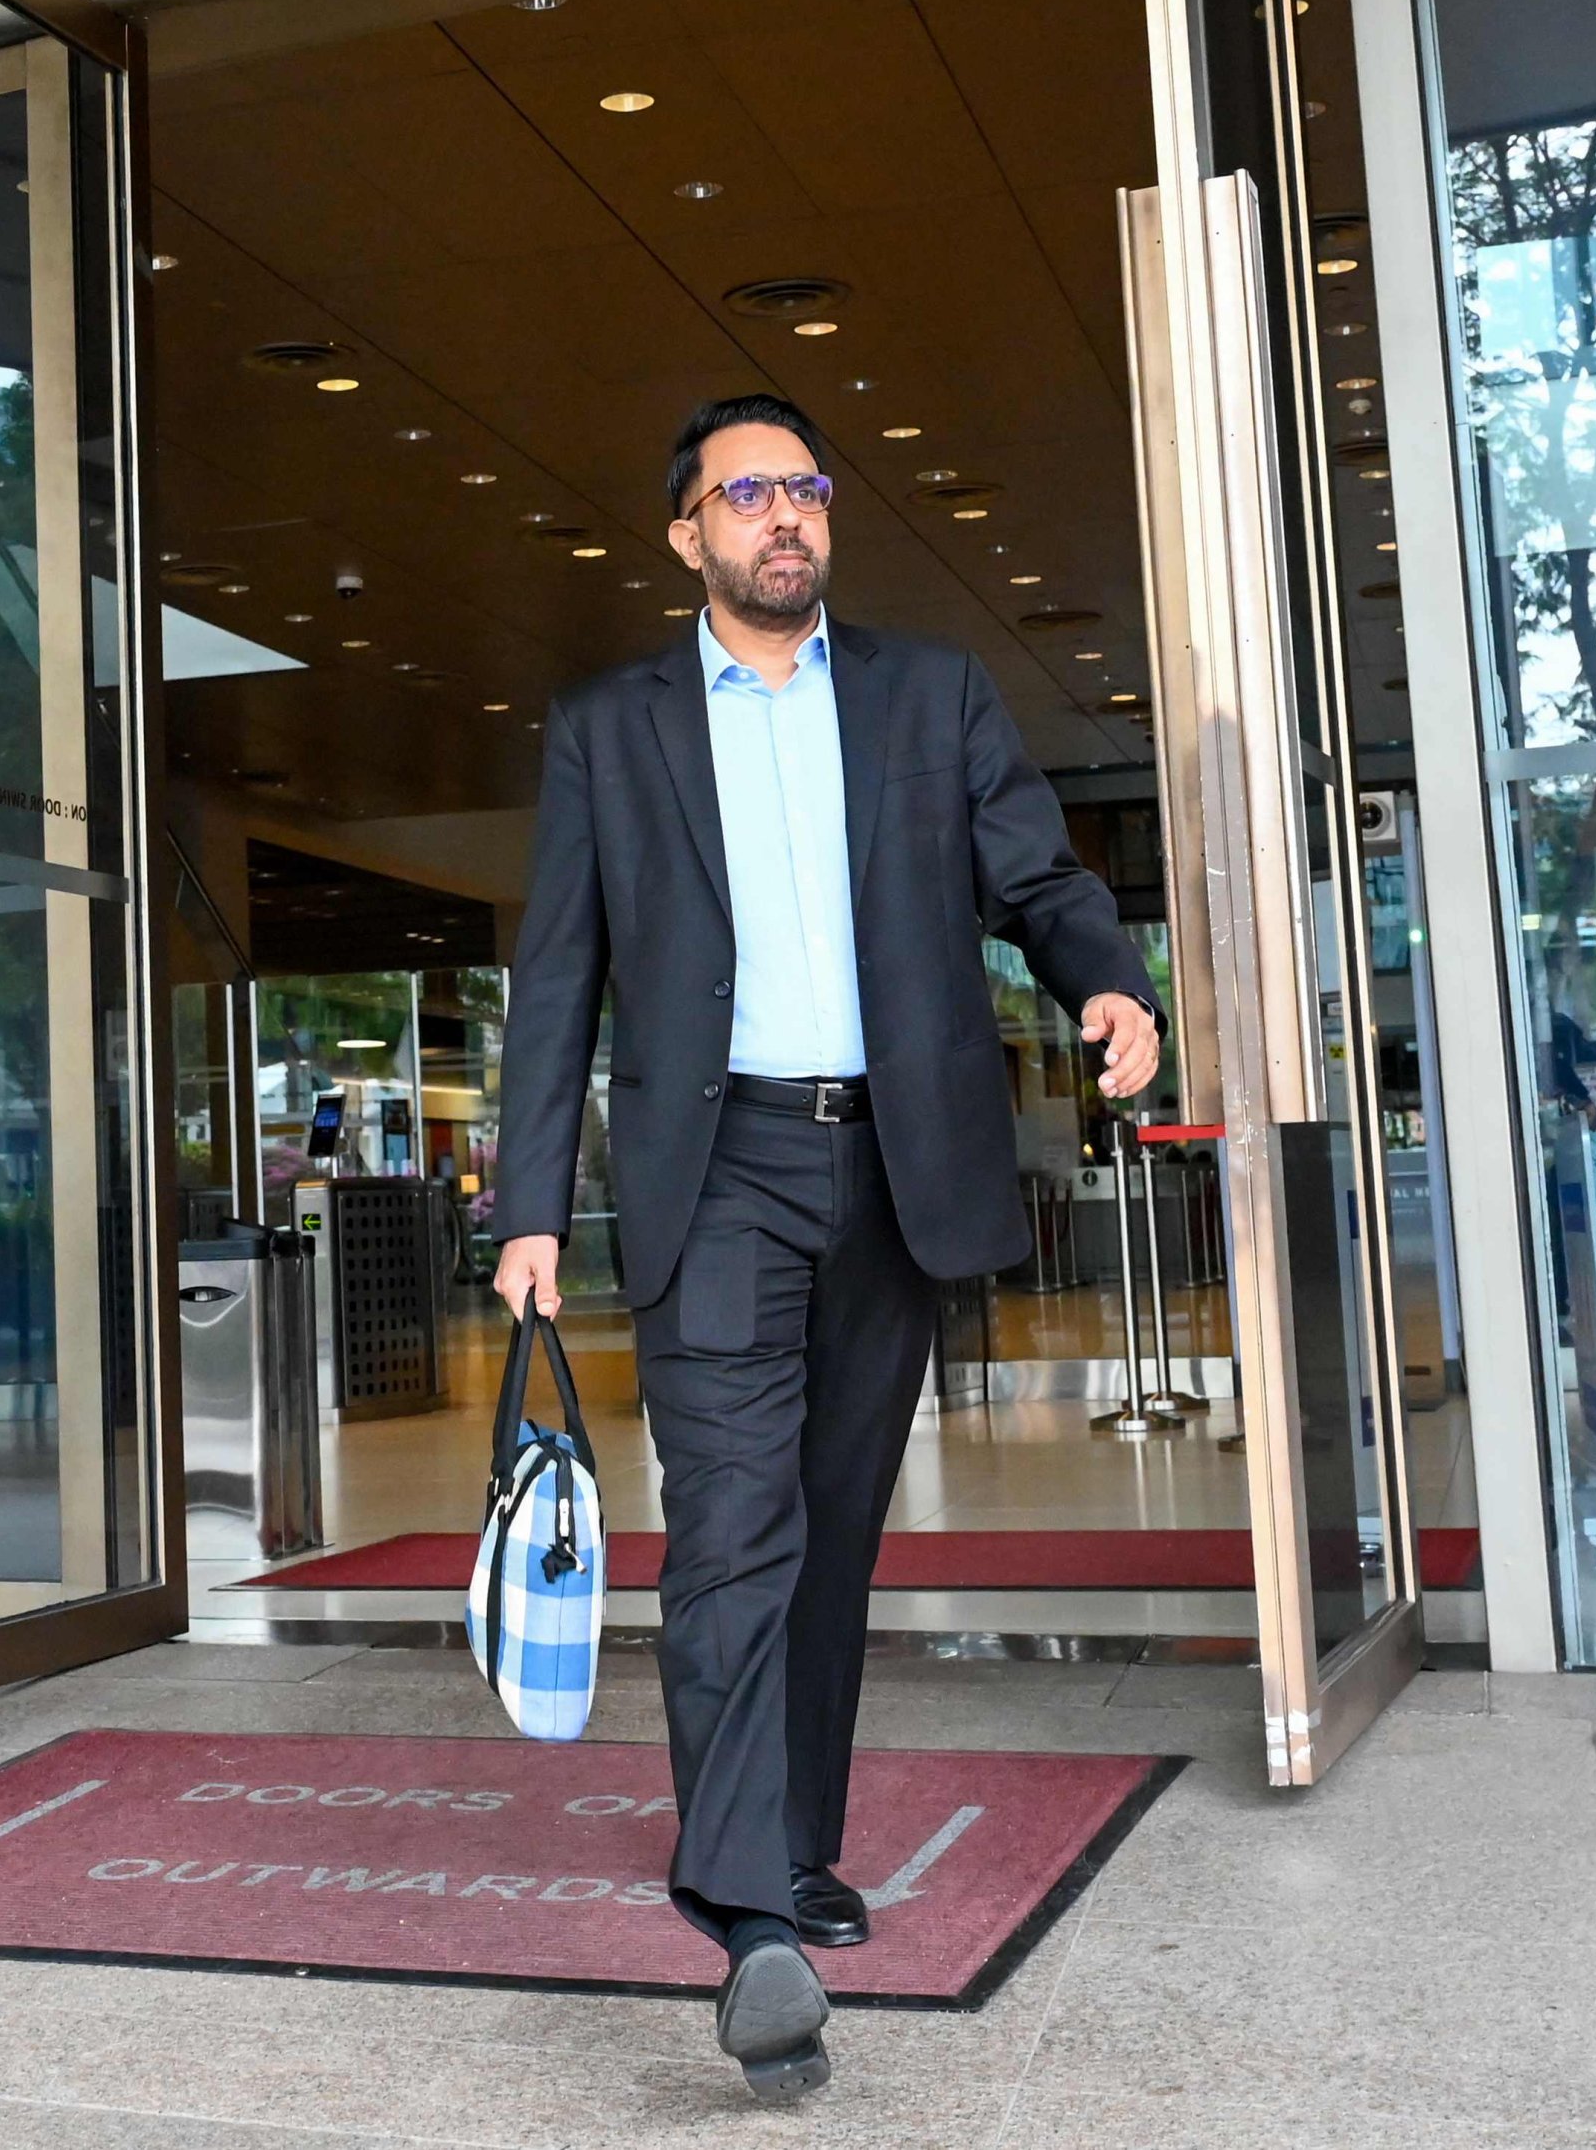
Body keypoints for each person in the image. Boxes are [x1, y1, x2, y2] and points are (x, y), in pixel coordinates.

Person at [490, 394, 1160, 2100]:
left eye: (805, 487)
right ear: (688, 534)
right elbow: (556, 976)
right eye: (749, 493)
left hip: (891, 1167)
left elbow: (1038, 875)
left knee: (835, 1533)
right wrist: (527, 1213)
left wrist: (1107, 975)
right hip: (716, 1169)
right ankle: (749, 1920)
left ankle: (792, 1850)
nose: (786, 515)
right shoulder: (607, 726)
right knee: (731, 1529)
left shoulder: (927, 694)